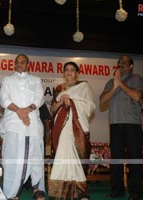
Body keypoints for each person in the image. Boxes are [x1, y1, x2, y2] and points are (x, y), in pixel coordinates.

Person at [0, 54, 45, 200]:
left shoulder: (36, 80)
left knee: (36, 157)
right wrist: (19, 111)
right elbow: (4, 98)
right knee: (12, 158)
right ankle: (12, 192)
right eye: (17, 62)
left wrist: (27, 110)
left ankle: (37, 188)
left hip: (32, 124)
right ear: (14, 64)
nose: (19, 64)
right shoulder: (7, 80)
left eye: (23, 62)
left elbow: (40, 98)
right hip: (13, 124)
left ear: (28, 64)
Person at [48, 61, 95, 200]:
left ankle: (80, 192)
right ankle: (59, 192)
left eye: (72, 70)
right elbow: (52, 110)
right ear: (63, 73)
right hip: (61, 129)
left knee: (76, 159)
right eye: (66, 70)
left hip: (76, 128)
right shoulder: (59, 89)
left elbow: (90, 107)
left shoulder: (83, 86)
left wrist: (72, 103)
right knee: (62, 158)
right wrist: (61, 102)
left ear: (77, 73)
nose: (69, 72)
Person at [99, 55, 143, 200]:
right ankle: (117, 190)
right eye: (119, 62)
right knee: (116, 158)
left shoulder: (137, 79)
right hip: (115, 124)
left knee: (134, 158)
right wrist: (115, 85)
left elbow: (137, 96)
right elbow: (102, 100)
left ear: (131, 66)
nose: (121, 64)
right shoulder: (111, 82)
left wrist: (121, 83)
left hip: (132, 124)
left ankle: (136, 192)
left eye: (124, 63)